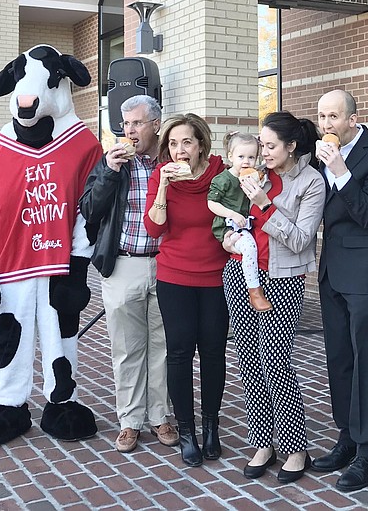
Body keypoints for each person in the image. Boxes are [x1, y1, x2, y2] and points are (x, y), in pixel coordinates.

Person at [222, 111, 325, 484]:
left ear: (291, 146)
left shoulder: (311, 182)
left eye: (269, 146)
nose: (262, 152)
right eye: (261, 145)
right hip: (240, 272)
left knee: (276, 362)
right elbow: (231, 219)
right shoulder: (254, 174)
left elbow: (300, 239)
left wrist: (266, 204)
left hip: (281, 278)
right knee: (249, 363)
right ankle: (263, 442)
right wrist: (227, 238)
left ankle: (296, 447)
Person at [80, 95, 177, 453]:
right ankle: (129, 420)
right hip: (124, 264)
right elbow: (89, 208)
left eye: (136, 123)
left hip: (167, 263)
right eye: (125, 124)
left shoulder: (171, 162)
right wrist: (109, 172)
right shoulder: (111, 163)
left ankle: (159, 415)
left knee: (163, 345)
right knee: (126, 347)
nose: (129, 131)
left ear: (155, 124)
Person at [313, 89, 368, 492]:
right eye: (321, 117)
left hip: (365, 271)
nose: (326, 124)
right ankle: (347, 436)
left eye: (333, 116)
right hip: (332, 269)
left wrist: (343, 173)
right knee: (339, 358)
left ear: (352, 117)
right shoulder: (319, 153)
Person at [143, 113, 229, 468]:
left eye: (187, 143)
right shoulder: (160, 176)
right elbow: (153, 229)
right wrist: (163, 186)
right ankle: (188, 431)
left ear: (200, 145)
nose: (180, 150)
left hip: (217, 276)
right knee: (179, 353)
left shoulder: (221, 174)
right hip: (175, 276)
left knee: (212, 352)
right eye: (173, 144)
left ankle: (211, 426)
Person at [207, 132, 272, 313]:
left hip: (246, 224)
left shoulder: (252, 176)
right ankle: (254, 290)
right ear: (230, 156)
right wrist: (232, 214)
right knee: (250, 246)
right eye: (241, 157)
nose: (246, 162)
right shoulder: (224, 179)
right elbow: (211, 203)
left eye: (251, 157)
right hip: (228, 225)